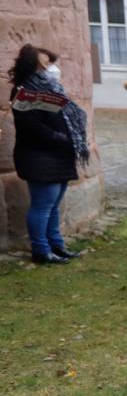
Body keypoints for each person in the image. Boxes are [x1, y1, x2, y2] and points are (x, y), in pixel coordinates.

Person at [8, 44, 89, 264]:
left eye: (51, 62)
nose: (51, 68)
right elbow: (30, 125)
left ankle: (56, 245)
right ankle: (41, 250)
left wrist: (69, 138)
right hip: (39, 156)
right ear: (32, 66)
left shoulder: (53, 88)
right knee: (43, 205)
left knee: (53, 204)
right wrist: (60, 138)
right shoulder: (24, 91)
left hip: (59, 155)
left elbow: (64, 116)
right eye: (45, 63)